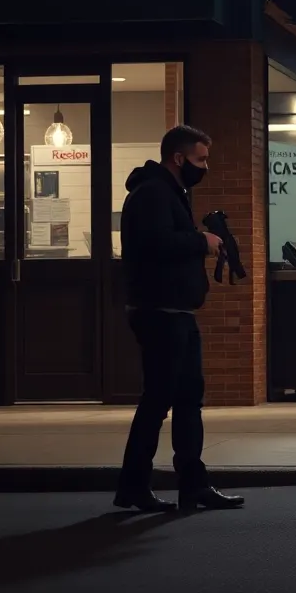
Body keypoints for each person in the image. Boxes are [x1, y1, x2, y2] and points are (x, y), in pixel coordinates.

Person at [114, 124, 246, 513]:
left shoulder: (171, 192)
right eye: (200, 159)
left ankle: (193, 485)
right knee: (158, 401)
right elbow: (153, 244)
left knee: (188, 399)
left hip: (177, 312)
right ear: (178, 157)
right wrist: (200, 241)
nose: (204, 166)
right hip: (159, 313)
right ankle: (134, 486)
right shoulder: (153, 193)